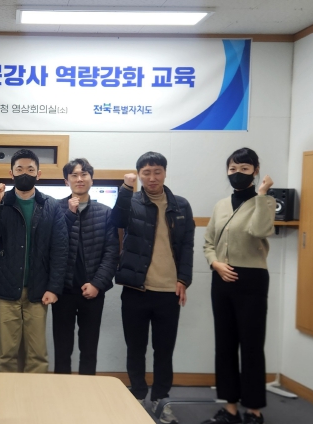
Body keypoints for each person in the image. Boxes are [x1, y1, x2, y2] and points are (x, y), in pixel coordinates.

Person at [111, 151, 194, 424]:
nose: (152, 177)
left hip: (169, 291)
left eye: (157, 171)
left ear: (165, 173)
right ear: (139, 175)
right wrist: (126, 188)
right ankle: (137, 396)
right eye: (146, 173)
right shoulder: (132, 201)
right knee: (135, 348)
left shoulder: (181, 205)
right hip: (136, 289)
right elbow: (117, 220)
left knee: (164, 350)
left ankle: (161, 399)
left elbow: (187, 246)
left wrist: (183, 280)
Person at [202, 148, 275, 424]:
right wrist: (215, 264)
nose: (237, 174)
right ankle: (230, 408)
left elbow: (260, 231)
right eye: (233, 169)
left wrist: (263, 195)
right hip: (221, 278)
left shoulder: (263, 202)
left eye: (244, 169)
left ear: (255, 171)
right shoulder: (221, 205)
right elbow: (208, 242)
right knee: (225, 344)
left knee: (252, 345)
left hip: (252, 279)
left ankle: (254, 410)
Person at [0, 149, 67, 373]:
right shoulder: (2, 203)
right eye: (19, 169)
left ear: (39, 174)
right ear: (11, 173)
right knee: (7, 353)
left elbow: (60, 250)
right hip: (6, 288)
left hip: (38, 290)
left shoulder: (51, 206)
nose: (24, 174)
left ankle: (35, 394)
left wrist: (54, 288)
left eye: (30, 169)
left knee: (37, 354)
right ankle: (9, 393)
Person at [52, 158, 119, 375]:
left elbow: (111, 253)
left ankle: (88, 391)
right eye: (74, 175)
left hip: (93, 291)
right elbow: (50, 247)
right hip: (63, 291)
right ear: (66, 181)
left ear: (91, 179)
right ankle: (61, 390)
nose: (79, 179)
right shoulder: (55, 209)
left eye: (84, 174)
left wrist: (97, 284)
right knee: (62, 348)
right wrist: (69, 214)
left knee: (89, 348)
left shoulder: (105, 212)